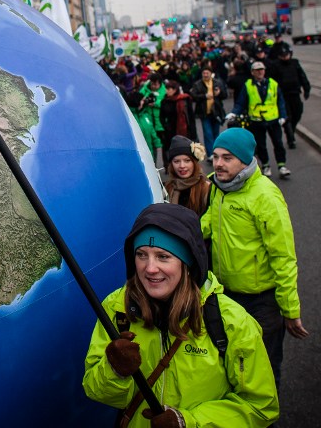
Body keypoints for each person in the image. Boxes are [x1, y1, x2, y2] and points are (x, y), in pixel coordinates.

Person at [83, 203, 279, 428]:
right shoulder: (118, 308)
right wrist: (114, 371)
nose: (150, 268)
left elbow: (261, 406)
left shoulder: (230, 321)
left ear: (187, 262)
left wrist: (189, 422)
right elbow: (96, 391)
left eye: (163, 256)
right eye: (141, 255)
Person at [202, 128, 309, 392]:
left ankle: (266, 413)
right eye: (216, 156)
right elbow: (209, 223)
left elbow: (283, 257)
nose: (218, 163)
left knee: (264, 370)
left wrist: (290, 310)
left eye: (227, 158)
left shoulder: (265, 196)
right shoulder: (219, 187)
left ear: (245, 160)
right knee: (232, 365)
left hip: (262, 303)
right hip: (226, 296)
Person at [226, 61, 290, 178]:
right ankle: (266, 165)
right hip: (256, 120)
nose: (260, 72)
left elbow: (280, 101)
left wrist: (283, 115)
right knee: (261, 145)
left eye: (261, 69)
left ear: (264, 71)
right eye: (257, 70)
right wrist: (234, 113)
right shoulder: (248, 85)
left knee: (278, 143)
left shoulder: (273, 84)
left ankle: (282, 165)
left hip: (272, 119)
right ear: (252, 72)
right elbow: (241, 102)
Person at [269, 45, 311, 149]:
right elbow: (272, 81)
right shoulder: (275, 65)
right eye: (283, 55)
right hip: (283, 96)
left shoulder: (294, 63)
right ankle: (290, 138)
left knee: (298, 112)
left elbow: (302, 76)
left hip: (295, 93)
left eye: (286, 55)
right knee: (287, 116)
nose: (285, 57)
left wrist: (306, 89)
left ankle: (291, 128)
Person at [164, 136, 210, 217]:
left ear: (194, 163)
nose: (182, 166)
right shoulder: (168, 188)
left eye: (187, 160)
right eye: (176, 161)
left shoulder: (206, 188)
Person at [190, 67, 227, 160]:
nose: (205, 75)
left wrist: (219, 93)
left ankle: (217, 151)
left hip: (216, 112)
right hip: (204, 113)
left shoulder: (217, 83)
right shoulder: (198, 84)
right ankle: (211, 154)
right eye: (204, 73)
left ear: (211, 73)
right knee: (208, 133)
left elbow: (225, 95)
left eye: (207, 73)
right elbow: (194, 96)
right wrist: (204, 96)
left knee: (216, 133)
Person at [159, 81, 197, 166]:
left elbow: (191, 117)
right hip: (170, 131)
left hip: (184, 129)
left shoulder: (185, 99)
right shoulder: (164, 101)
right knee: (168, 149)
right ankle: (169, 167)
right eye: (166, 89)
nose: (167, 91)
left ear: (175, 90)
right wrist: (165, 126)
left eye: (169, 89)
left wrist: (193, 132)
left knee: (184, 149)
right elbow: (161, 116)